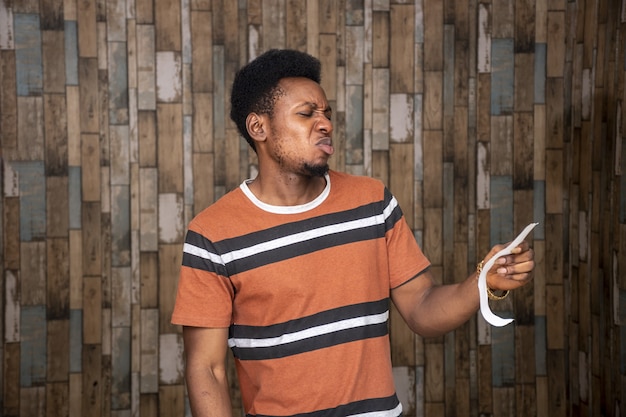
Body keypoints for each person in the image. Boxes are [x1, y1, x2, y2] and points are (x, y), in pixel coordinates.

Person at [171, 49, 535, 416]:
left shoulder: (373, 202)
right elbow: (208, 370)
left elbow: (422, 308)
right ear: (258, 128)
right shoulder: (212, 234)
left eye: (327, 113)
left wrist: (483, 282)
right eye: (306, 113)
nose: (325, 123)